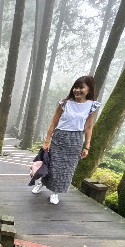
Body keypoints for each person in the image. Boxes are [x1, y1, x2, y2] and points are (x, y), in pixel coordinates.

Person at [35, 75, 100, 206]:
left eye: (81, 87)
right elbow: (53, 122)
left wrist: (87, 146)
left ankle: (55, 192)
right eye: (75, 87)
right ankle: (41, 183)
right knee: (53, 166)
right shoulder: (64, 103)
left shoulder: (92, 106)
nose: (77, 90)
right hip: (59, 137)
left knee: (66, 169)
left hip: (76, 140)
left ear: (89, 89)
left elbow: (88, 127)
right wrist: (47, 141)